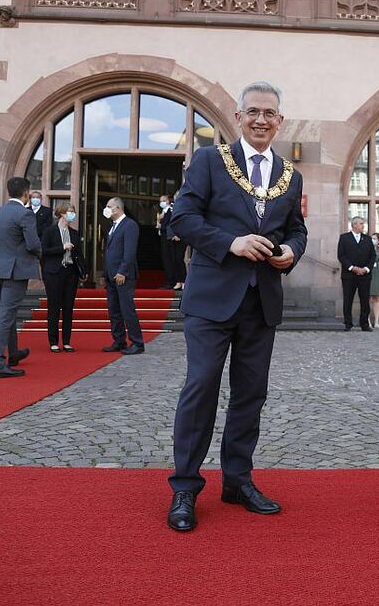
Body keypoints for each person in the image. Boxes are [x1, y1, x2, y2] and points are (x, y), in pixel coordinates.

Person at [166, 81, 307, 532]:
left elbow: (297, 229)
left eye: (270, 113)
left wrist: (291, 252)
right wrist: (231, 242)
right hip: (211, 299)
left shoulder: (291, 173)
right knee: (201, 387)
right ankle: (185, 487)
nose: (261, 119)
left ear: (280, 121)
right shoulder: (209, 160)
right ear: (238, 115)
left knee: (251, 395)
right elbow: (182, 219)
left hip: (261, 300)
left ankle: (237, 479)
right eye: (253, 112)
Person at [0, 177, 41, 379]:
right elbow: (33, 243)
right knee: (6, 314)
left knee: (7, 312)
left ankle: (14, 352)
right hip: (14, 271)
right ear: (26, 193)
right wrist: (39, 254)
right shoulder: (25, 214)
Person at [102, 197, 145, 355]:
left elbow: (129, 252)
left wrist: (122, 271)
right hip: (111, 275)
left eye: (109, 206)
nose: (106, 209)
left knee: (127, 309)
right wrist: (105, 272)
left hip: (123, 275)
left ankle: (137, 342)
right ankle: (119, 340)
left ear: (118, 208)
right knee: (114, 310)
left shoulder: (130, 225)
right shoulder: (112, 226)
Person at [40, 203, 86, 353]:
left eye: (73, 211)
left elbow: (79, 254)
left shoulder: (74, 233)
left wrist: (84, 271)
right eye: (69, 212)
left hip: (70, 273)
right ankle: (53, 341)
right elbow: (43, 251)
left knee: (68, 307)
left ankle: (66, 341)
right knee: (54, 307)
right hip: (54, 273)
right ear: (61, 214)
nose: (72, 214)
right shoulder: (49, 232)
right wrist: (62, 248)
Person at [337, 216, 375, 331]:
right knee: (348, 299)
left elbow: (372, 256)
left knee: (365, 300)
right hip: (349, 275)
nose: (363, 225)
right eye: (361, 223)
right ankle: (348, 323)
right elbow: (341, 255)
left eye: (363, 223)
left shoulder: (367, 239)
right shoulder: (344, 238)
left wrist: (366, 269)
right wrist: (352, 268)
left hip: (365, 275)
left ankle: (364, 324)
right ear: (354, 225)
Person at [158, 194, 188, 290]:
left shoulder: (183, 208)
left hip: (181, 237)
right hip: (173, 237)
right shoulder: (172, 209)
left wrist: (178, 234)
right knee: (175, 259)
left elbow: (182, 222)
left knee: (179, 259)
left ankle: (183, 281)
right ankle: (179, 281)